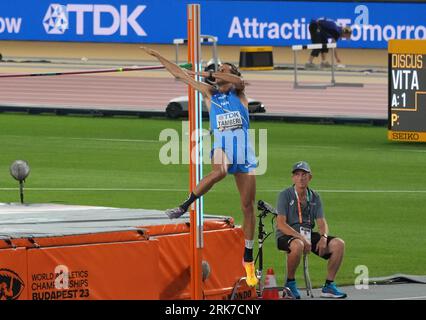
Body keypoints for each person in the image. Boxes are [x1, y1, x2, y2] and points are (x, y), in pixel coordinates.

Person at [141, 47, 258, 287]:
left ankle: (247, 256)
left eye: (223, 70)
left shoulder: (240, 93)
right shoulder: (209, 94)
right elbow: (180, 75)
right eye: (218, 71)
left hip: (244, 151)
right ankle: (184, 205)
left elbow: (237, 79)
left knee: (247, 207)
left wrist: (211, 73)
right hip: (222, 146)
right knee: (220, 171)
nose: (219, 74)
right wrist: (159, 56)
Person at [275, 161, 347, 299]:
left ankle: (329, 286)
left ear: (310, 177)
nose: (301, 178)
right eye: (297, 175)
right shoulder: (285, 195)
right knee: (298, 244)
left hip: (306, 235)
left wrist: (324, 237)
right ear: (293, 178)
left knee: (339, 244)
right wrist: (301, 238)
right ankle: (290, 284)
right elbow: (281, 224)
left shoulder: (315, 196)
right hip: (286, 235)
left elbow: (321, 222)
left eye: (304, 174)